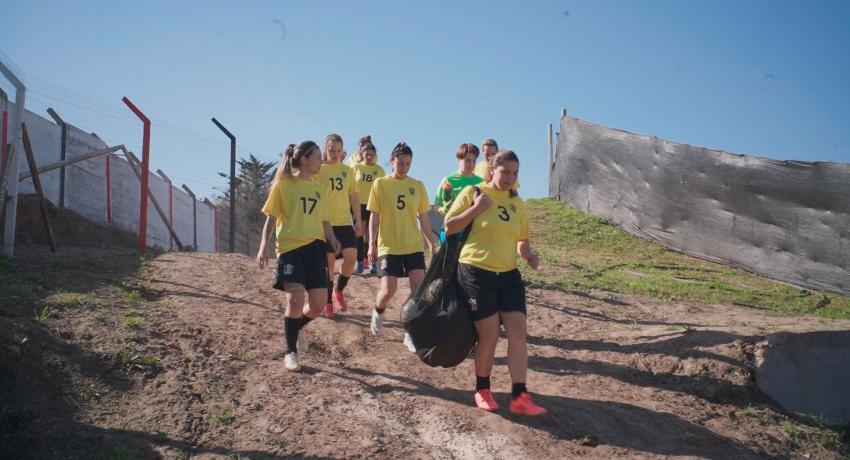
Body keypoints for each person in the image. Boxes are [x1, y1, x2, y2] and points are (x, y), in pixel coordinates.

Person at [445, 150, 546, 416]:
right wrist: (477, 208)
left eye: (515, 173)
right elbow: (450, 225)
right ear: (492, 169)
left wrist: (528, 254)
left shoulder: (517, 203)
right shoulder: (473, 192)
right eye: (506, 172)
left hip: (509, 274)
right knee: (489, 332)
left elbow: (521, 238)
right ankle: (482, 389)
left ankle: (520, 395)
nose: (510, 178)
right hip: (476, 272)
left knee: (518, 330)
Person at [256, 141, 341, 371]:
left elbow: (325, 220)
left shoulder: (319, 188)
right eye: (317, 157)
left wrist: (332, 239)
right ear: (304, 159)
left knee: (318, 305)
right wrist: (263, 245)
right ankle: (290, 352)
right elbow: (271, 218)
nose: (321, 161)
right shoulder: (284, 184)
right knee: (295, 299)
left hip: (315, 249)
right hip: (290, 249)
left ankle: (298, 326)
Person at [367, 141, 437, 352]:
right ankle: (378, 312)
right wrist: (371, 243)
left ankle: (410, 333)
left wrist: (432, 242)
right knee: (388, 290)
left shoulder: (417, 186)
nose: (404, 167)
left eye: (408, 164)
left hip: (413, 246)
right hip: (388, 246)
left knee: (418, 291)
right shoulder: (380, 184)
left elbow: (424, 218)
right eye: (400, 163)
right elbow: (374, 217)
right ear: (392, 161)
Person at [317, 134, 363, 318]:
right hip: (325, 223)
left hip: (345, 222)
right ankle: (328, 302)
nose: (335, 154)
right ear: (325, 150)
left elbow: (354, 196)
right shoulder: (318, 170)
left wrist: (358, 220)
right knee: (329, 266)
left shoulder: (348, 171)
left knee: (351, 258)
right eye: (331, 150)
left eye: (338, 150)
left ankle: (339, 290)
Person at [432, 143, 484, 243]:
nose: (471, 164)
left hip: (473, 232)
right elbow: (436, 206)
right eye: (467, 161)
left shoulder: (481, 182)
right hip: (451, 231)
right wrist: (445, 210)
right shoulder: (448, 180)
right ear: (458, 159)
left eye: (474, 161)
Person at [352, 137, 385, 274]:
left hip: (374, 205)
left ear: (375, 155)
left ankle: (372, 262)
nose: (369, 157)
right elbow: (350, 185)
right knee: (359, 233)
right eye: (367, 154)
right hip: (358, 204)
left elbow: (384, 187)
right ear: (362, 154)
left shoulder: (379, 170)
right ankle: (360, 262)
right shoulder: (356, 167)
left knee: (372, 235)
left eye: (372, 154)